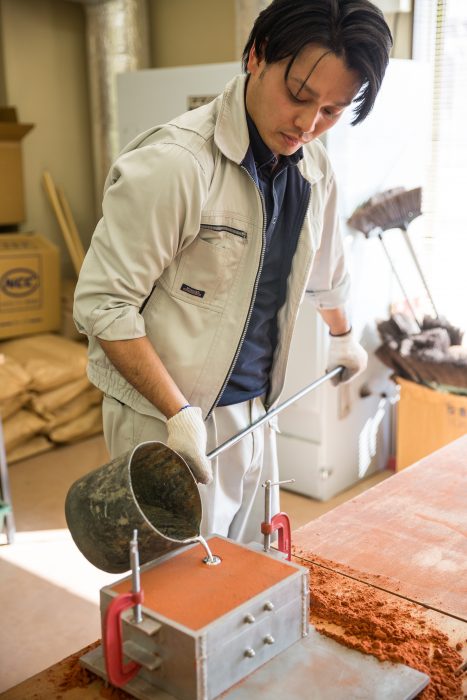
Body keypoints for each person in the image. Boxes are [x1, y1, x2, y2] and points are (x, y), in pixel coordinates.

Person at [74, 0, 392, 544]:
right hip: (164, 418)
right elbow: (104, 305)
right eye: (299, 96)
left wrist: (342, 337)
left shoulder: (314, 167)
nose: (308, 124)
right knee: (177, 593)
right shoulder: (177, 164)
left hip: (255, 408)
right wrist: (178, 413)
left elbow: (325, 270)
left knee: (245, 569)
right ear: (256, 55)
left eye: (332, 111)